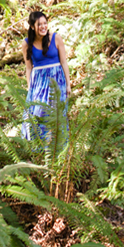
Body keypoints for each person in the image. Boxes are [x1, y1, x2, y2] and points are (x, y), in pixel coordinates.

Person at [21, 11, 71, 146]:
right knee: (38, 112)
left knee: (56, 114)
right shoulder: (27, 44)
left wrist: (68, 84)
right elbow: (29, 68)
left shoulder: (56, 38)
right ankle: (40, 148)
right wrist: (29, 88)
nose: (43, 27)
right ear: (32, 26)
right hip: (39, 83)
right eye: (39, 24)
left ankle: (58, 148)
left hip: (57, 81)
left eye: (45, 23)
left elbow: (64, 62)